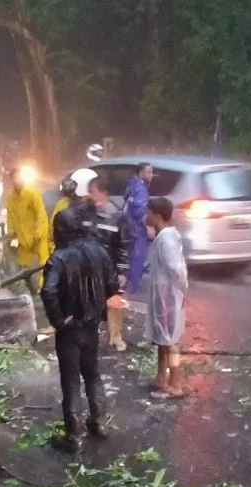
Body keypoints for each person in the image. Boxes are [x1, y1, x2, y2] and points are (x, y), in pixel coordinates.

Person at [41, 209, 119, 453]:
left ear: (60, 231)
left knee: (71, 381)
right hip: (91, 325)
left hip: (70, 330)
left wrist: (59, 320)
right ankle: (99, 422)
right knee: (93, 373)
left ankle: (74, 437)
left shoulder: (58, 259)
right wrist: (99, 308)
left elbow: (48, 291)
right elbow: (113, 283)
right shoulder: (98, 252)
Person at [143, 197, 190, 399]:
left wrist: (183, 289)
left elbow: (176, 268)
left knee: (170, 341)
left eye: (149, 212)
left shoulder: (166, 240)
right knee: (162, 340)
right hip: (163, 295)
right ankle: (161, 378)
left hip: (167, 298)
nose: (146, 216)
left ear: (157, 215)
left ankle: (176, 384)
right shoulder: (162, 237)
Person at [84, 176, 132, 351]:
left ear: (103, 193)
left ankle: (116, 336)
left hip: (110, 269)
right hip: (90, 268)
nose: (89, 196)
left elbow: (124, 246)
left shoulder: (118, 216)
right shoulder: (88, 214)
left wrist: (122, 272)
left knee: (114, 302)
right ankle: (91, 336)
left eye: (92, 192)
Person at [4, 166, 50, 292]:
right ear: (12, 180)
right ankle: (31, 290)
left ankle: (43, 290)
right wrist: (11, 236)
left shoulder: (32, 194)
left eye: (19, 178)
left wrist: (38, 233)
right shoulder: (11, 197)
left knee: (42, 265)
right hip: (23, 241)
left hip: (37, 238)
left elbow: (41, 215)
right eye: (15, 179)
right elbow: (11, 218)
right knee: (25, 267)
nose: (18, 181)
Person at [124, 163, 155, 293]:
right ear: (141, 172)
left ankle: (129, 285)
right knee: (137, 259)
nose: (151, 175)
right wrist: (149, 227)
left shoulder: (132, 184)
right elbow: (140, 210)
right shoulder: (141, 189)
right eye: (148, 172)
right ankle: (133, 289)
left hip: (129, 228)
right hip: (137, 231)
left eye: (152, 172)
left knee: (132, 258)